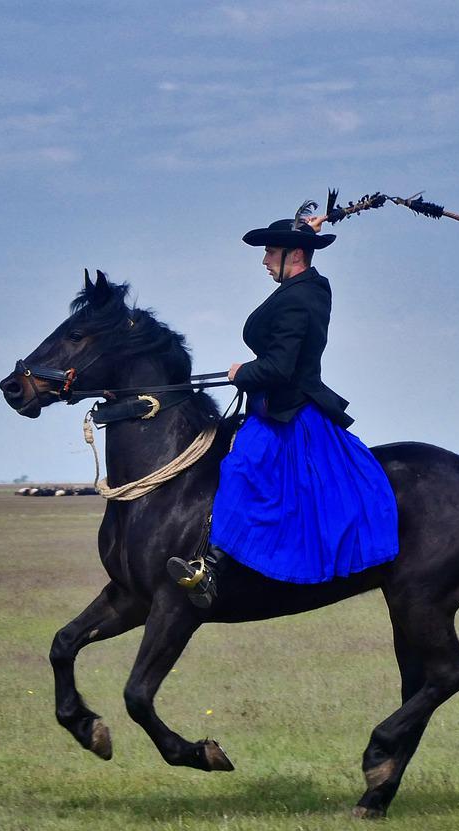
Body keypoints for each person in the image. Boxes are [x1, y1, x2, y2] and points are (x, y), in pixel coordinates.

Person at [166, 209, 400, 607]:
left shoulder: (301, 296)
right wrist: (304, 229)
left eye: (270, 252)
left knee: (242, 467)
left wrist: (243, 372)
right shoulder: (303, 286)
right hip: (275, 402)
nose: (263, 260)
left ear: (294, 255)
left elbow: (279, 366)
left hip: (289, 410)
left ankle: (213, 570)